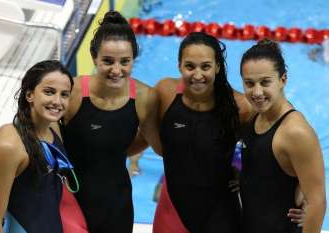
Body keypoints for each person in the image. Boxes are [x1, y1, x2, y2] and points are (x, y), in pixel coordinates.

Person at [152, 32, 306, 233]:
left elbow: (290, 134)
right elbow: (142, 134)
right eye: (190, 66)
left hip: (220, 215)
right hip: (171, 212)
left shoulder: (240, 107)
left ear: (217, 66)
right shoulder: (165, 92)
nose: (197, 75)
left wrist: (307, 200)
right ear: (179, 65)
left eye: (205, 66)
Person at [60, 11, 160, 233]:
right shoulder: (72, 91)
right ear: (94, 58)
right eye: (107, 61)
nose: (117, 70)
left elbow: (159, 147)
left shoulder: (144, 97)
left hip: (115, 203)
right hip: (69, 199)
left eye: (125, 62)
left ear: (134, 59)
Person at [0, 60, 87, 233]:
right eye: (49, 92)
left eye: (64, 94)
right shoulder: (9, 145)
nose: (57, 101)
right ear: (29, 94)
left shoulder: (52, 130)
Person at [239, 39, 326, 233]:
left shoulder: (295, 132)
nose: (257, 92)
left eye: (265, 82)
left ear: (283, 80)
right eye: (249, 83)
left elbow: (317, 202)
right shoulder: (255, 116)